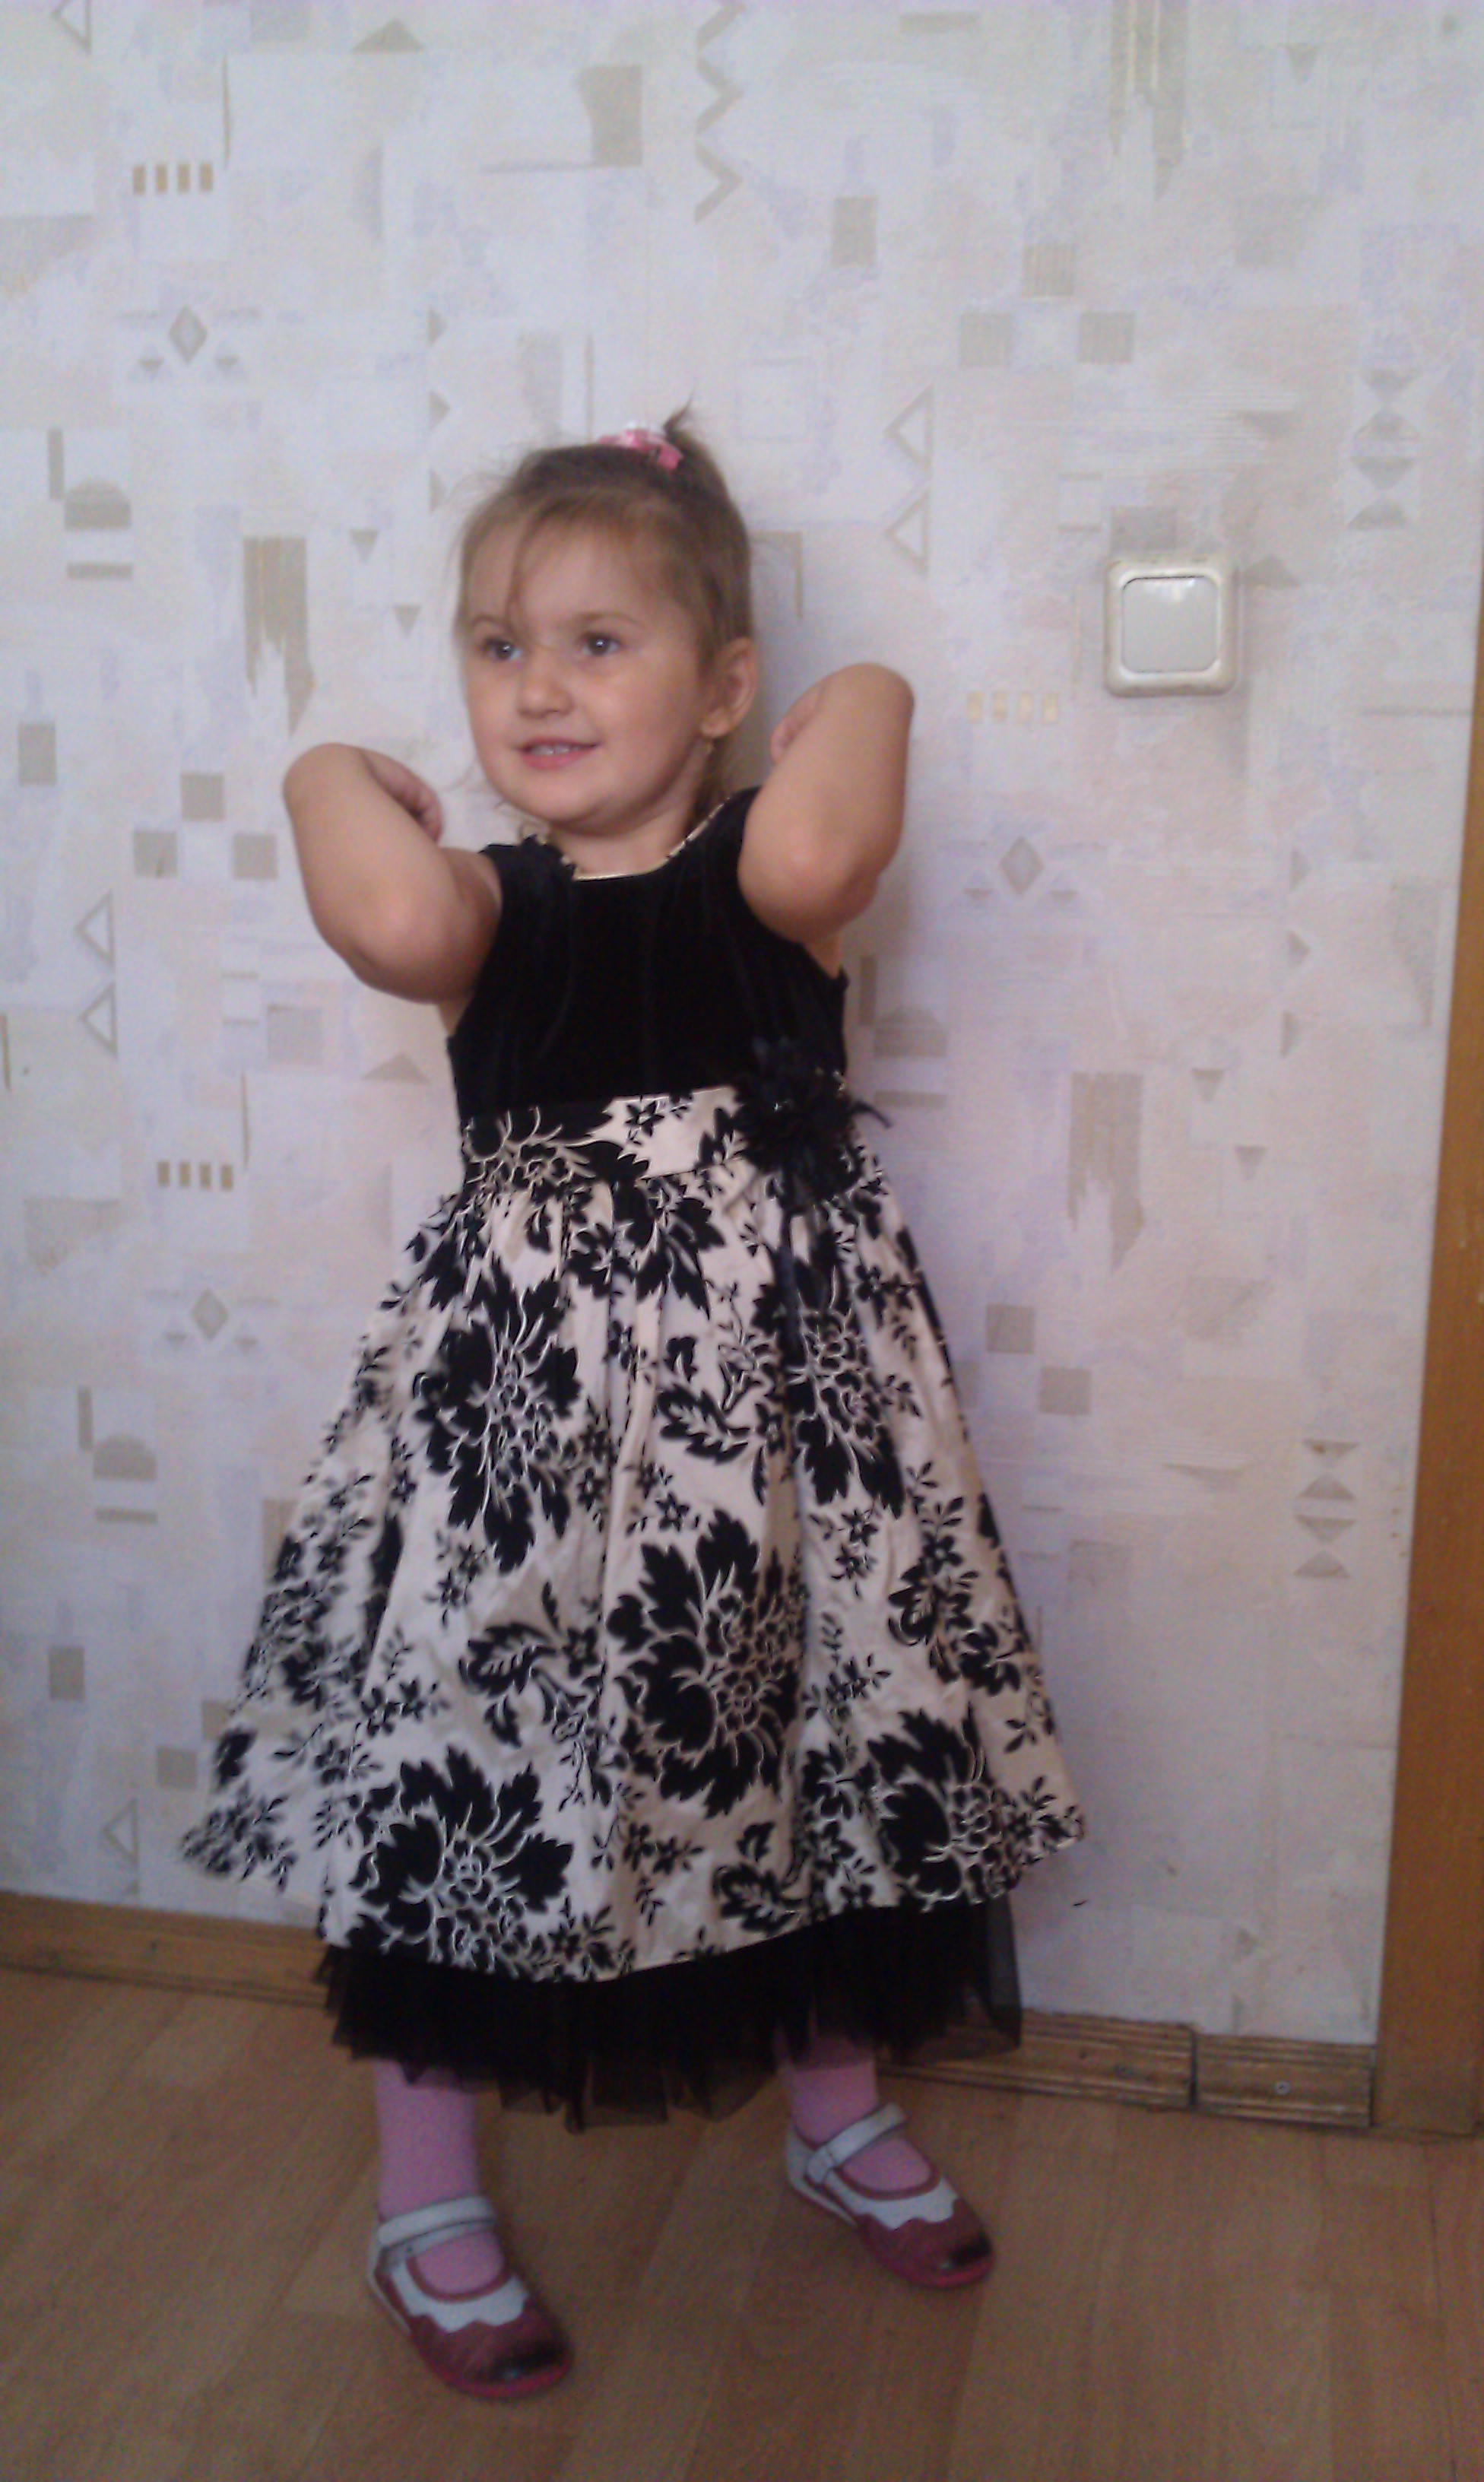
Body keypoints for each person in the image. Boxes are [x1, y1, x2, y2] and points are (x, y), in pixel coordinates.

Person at [180, 412, 1086, 2403]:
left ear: (725, 683)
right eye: (500, 646)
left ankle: (835, 2112)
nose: (542, 687)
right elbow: (382, 918)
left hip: (783, 1448)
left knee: (809, 1746)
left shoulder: (768, 873)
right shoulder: (482, 907)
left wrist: (860, 681)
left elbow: (830, 828)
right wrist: (328, 768)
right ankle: (425, 2190)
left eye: (603, 643)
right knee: (473, 1765)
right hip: (522, 1449)